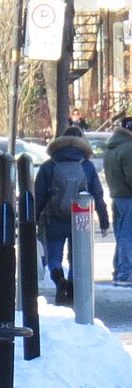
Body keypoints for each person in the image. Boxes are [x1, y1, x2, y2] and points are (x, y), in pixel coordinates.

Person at [34, 125, 110, 306]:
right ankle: (73, 287)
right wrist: (104, 220)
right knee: (78, 255)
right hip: (80, 219)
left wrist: (34, 218)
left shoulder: (49, 166)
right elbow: (97, 195)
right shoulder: (87, 166)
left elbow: (40, 195)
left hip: (55, 217)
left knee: (54, 256)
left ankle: (60, 281)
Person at [103, 118, 132, 286]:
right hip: (129, 197)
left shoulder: (112, 147)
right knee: (128, 237)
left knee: (122, 236)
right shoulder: (129, 148)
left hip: (117, 196)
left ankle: (119, 271)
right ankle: (125, 273)